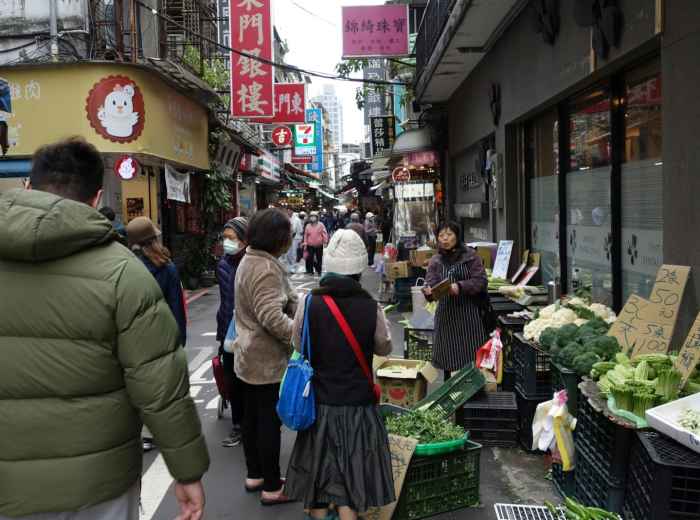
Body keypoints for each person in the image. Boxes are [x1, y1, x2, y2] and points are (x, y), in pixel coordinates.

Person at [0, 137, 209, 520]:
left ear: (28, 186)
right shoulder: (123, 272)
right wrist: (187, 470)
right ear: (97, 197)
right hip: (99, 486)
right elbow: (161, 387)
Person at [285, 230, 395, 520]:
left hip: (319, 404)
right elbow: (384, 346)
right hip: (358, 406)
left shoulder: (309, 304)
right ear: (359, 271)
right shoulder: (372, 308)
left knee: (322, 471)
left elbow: (298, 344)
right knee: (351, 472)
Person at [233, 208, 299, 506]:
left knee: (251, 418)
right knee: (267, 422)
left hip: (247, 354)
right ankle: (272, 486)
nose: (290, 238)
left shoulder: (250, 259)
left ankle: (256, 474)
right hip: (265, 358)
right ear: (277, 237)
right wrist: (298, 337)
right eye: (287, 233)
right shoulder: (266, 269)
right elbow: (271, 316)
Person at [422, 221, 488, 378]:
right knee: (448, 361)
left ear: (457, 236)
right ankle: (450, 396)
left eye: (449, 234)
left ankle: (471, 395)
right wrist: (429, 291)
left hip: (469, 315)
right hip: (446, 316)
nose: (445, 239)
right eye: (441, 235)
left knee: (470, 361)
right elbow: (430, 282)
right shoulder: (435, 261)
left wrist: (459, 286)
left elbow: (481, 281)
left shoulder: (471, 256)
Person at [126, 217, 187, 348]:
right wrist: (180, 341)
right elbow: (176, 308)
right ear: (154, 239)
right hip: (164, 339)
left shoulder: (125, 268)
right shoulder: (167, 268)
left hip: (133, 342)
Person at [216, 217, 249, 448]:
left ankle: (254, 424)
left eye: (232, 238)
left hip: (250, 334)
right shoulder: (223, 265)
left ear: (245, 240)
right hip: (228, 332)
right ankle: (238, 425)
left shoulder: (254, 263)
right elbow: (224, 301)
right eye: (225, 238)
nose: (227, 242)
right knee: (232, 381)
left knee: (251, 382)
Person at [303, 211, 328, 276]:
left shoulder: (321, 225)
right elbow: (305, 235)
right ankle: (310, 271)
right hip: (310, 245)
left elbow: (324, 233)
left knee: (319, 258)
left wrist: (325, 242)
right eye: (311, 217)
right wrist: (305, 243)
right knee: (310, 258)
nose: (312, 218)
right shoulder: (308, 225)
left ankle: (319, 271)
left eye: (314, 217)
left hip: (319, 245)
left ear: (317, 217)